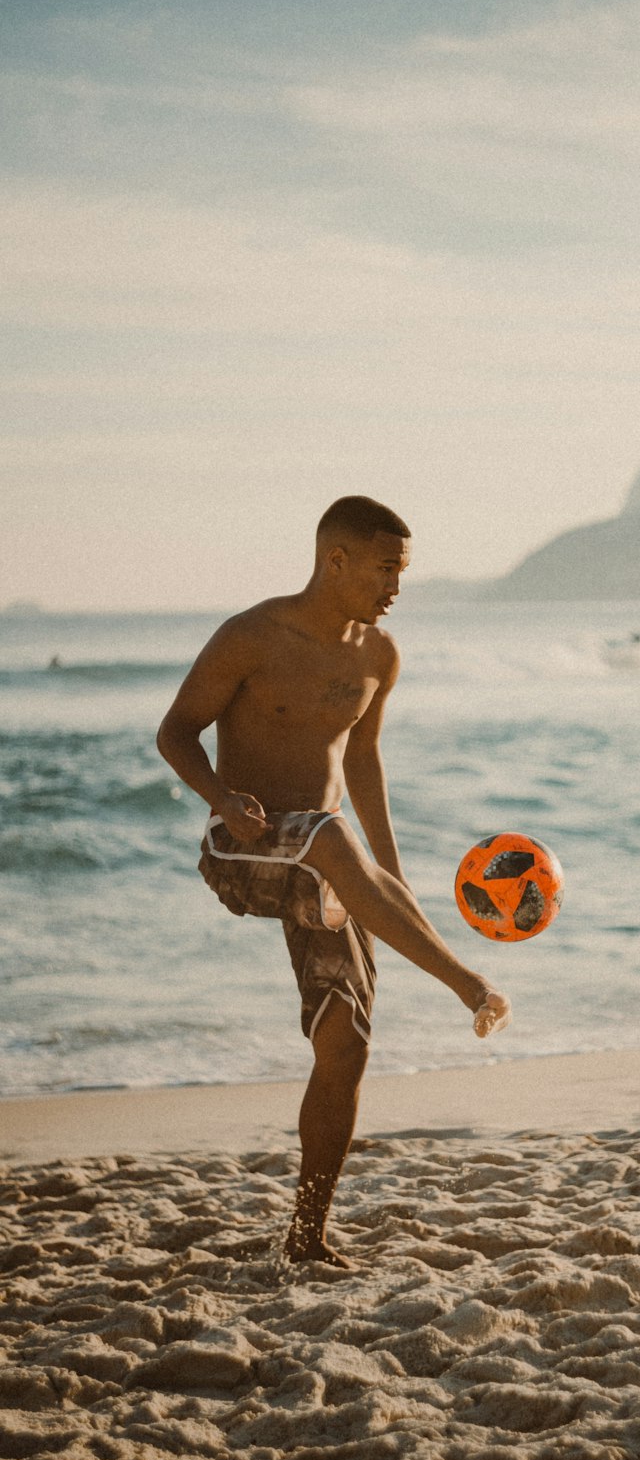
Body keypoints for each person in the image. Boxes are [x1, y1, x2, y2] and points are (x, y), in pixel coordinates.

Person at [157, 496, 511, 1269]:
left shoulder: (379, 656)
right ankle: (464, 981)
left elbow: (361, 761)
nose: (396, 585)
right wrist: (222, 799)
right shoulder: (250, 636)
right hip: (245, 852)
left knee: (345, 1041)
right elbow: (174, 731)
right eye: (386, 568)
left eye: (403, 571)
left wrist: (388, 876)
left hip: (326, 862)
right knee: (328, 835)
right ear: (337, 560)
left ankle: (307, 1235)